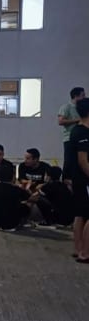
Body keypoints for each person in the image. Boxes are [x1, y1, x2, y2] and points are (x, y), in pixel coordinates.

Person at [67, 97, 89, 263]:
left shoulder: (76, 130)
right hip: (84, 179)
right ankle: (85, 252)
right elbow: (83, 160)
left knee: (80, 214)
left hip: (79, 179)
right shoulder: (82, 133)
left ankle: (78, 249)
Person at [58, 86, 84, 176]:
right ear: (76, 96)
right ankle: (66, 179)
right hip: (69, 138)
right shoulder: (66, 107)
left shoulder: (82, 108)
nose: (84, 98)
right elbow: (60, 121)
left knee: (81, 160)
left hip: (80, 137)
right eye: (82, 95)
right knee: (69, 161)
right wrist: (76, 120)